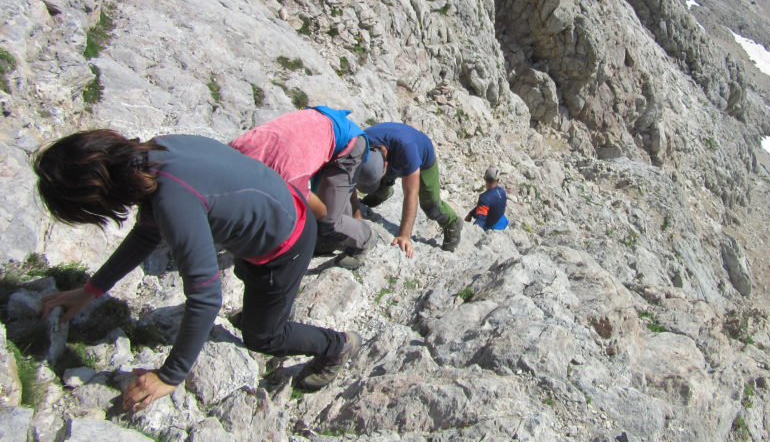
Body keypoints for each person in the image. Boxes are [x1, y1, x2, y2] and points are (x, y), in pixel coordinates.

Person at [34, 129, 361, 409]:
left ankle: (338, 345)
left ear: (95, 198)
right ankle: (267, 305)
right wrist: (90, 291)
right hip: (276, 206)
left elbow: (205, 297)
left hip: (286, 244)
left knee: (264, 336)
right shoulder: (155, 152)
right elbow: (148, 231)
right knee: (251, 285)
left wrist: (170, 375)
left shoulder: (172, 199)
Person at [229, 106, 385, 269]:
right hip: (319, 124)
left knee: (327, 221)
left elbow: (320, 210)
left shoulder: (286, 178)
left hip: (348, 143)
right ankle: (338, 234)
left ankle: (365, 237)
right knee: (329, 207)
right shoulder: (237, 148)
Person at [359, 122, 461, 255]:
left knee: (431, 206)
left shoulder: (408, 151)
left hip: (423, 157)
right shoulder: (361, 142)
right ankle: (382, 192)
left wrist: (404, 236)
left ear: (386, 164)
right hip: (391, 152)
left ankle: (452, 222)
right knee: (376, 185)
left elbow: (411, 194)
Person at [464, 166, 508, 230]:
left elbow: (481, 219)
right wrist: (471, 214)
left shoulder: (484, 197)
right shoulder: (502, 191)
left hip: (493, 227)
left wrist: (474, 230)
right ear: (498, 180)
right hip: (502, 221)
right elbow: (487, 205)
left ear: (485, 179)